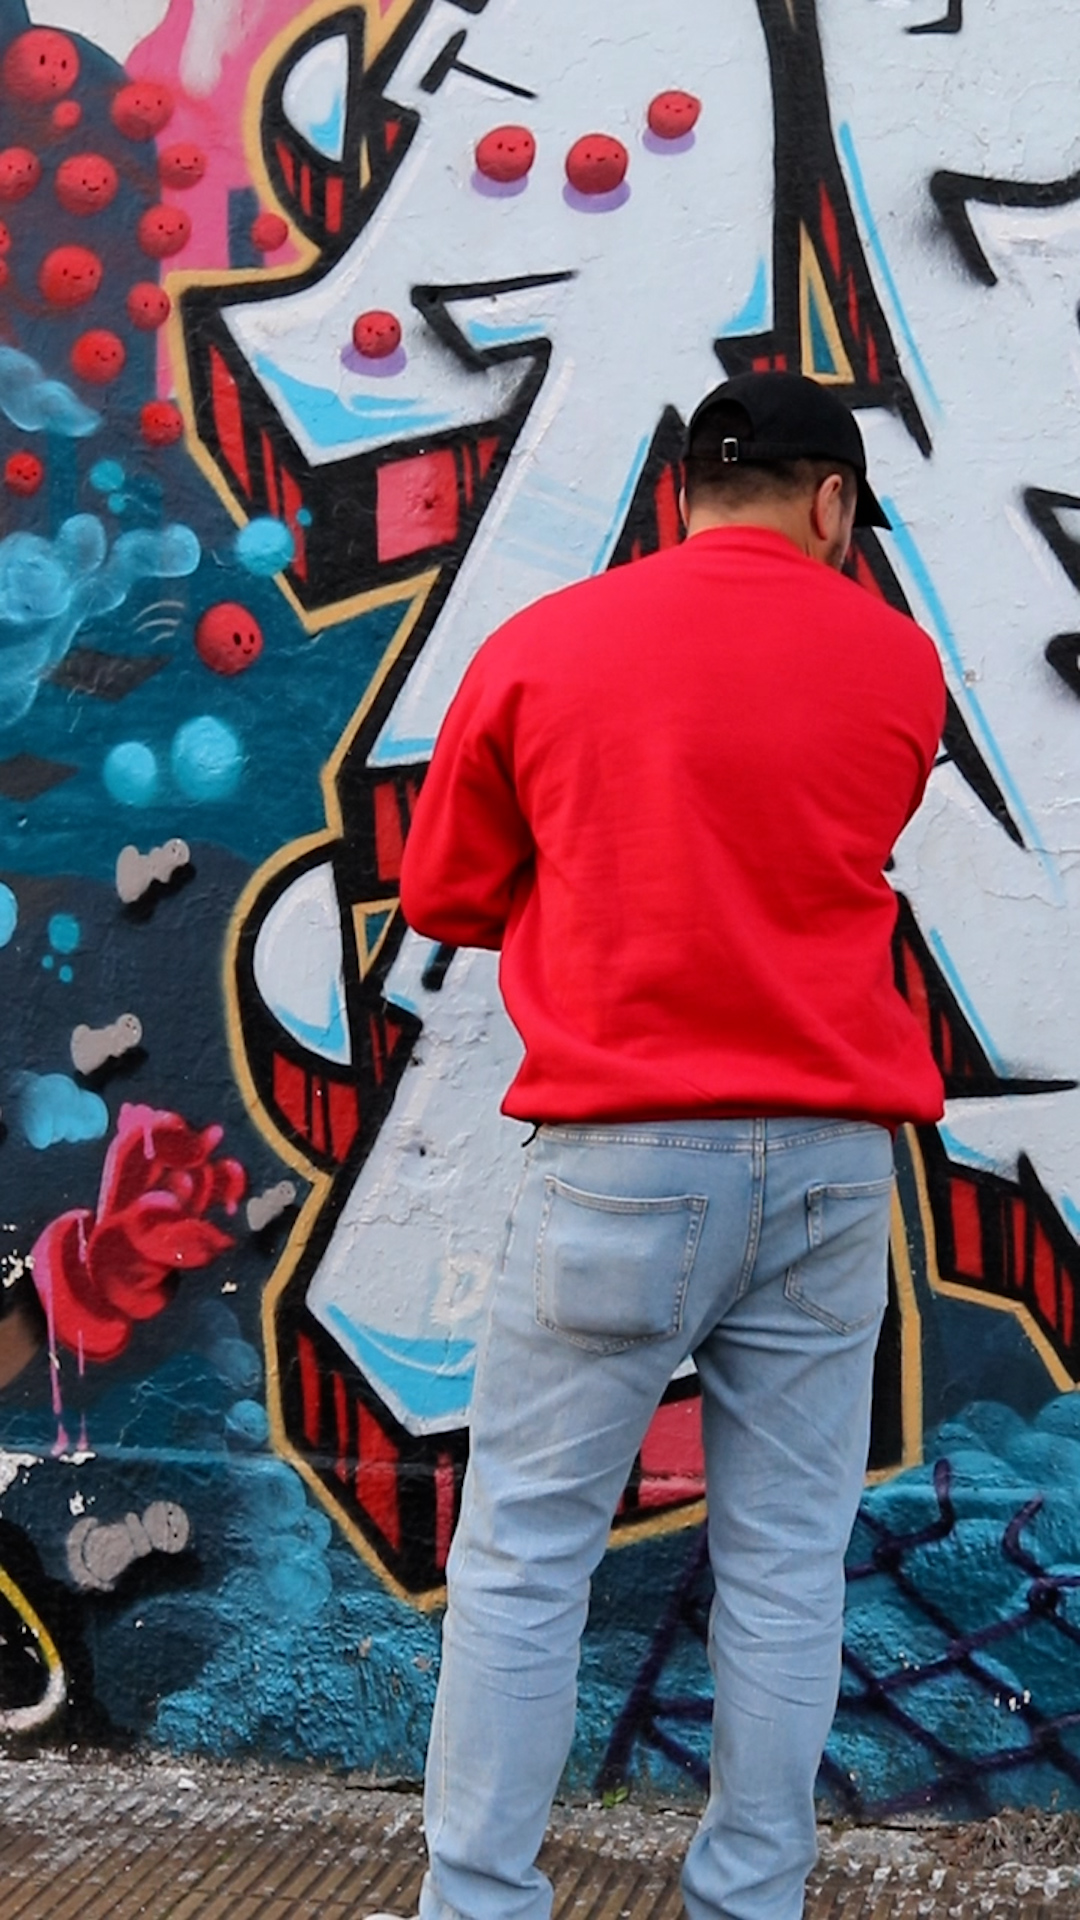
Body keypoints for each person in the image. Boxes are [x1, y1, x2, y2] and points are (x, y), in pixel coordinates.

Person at [374, 371, 946, 1920]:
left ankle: (481, 1903)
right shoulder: (899, 663)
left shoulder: (546, 644)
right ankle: (750, 1897)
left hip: (622, 1157)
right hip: (832, 1162)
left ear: (683, 492)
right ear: (833, 502)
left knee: (524, 1557)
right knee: (786, 1561)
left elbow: (444, 894)